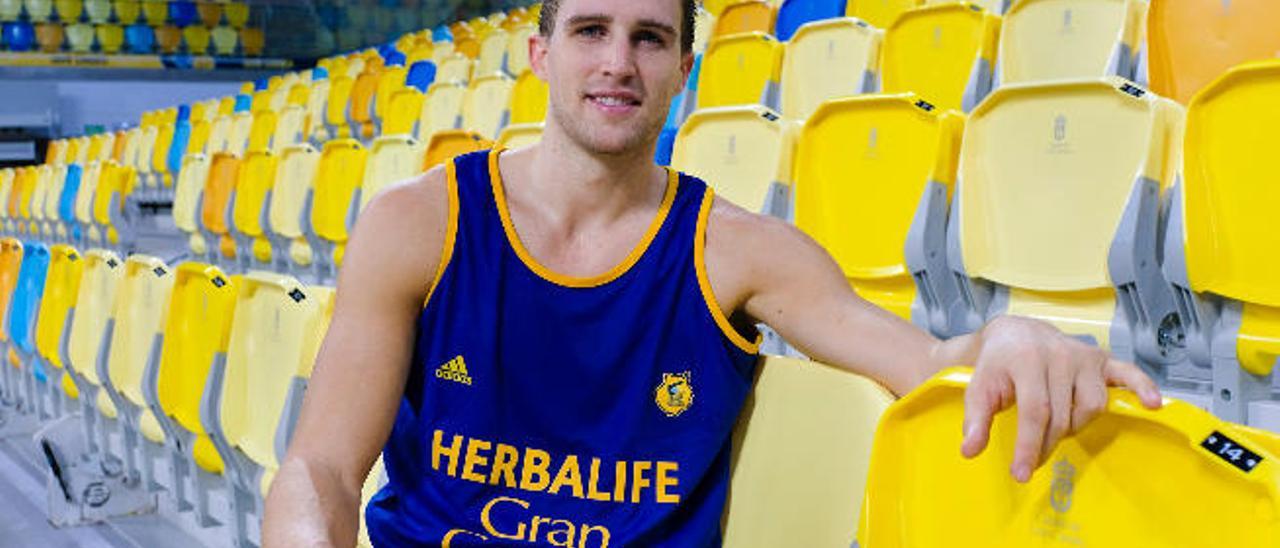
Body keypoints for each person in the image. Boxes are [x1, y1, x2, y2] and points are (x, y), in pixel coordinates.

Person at [262, 0, 1163, 545]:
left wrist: (1011, 333)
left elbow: (926, 365)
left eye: (651, 38)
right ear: (541, 55)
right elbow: (325, 469)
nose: (619, 62)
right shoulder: (419, 224)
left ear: (683, 70)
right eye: (591, 31)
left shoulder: (738, 250)